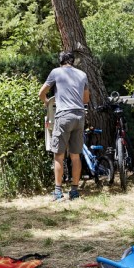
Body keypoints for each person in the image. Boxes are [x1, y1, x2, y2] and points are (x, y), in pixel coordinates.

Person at [39, 50, 90, 201]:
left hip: (63, 116)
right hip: (79, 116)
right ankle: (74, 191)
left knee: (59, 156)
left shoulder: (56, 72)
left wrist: (47, 102)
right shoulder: (82, 75)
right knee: (75, 156)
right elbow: (86, 99)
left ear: (60, 61)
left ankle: (58, 192)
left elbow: (41, 93)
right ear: (72, 61)